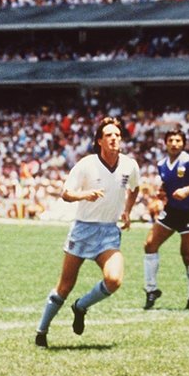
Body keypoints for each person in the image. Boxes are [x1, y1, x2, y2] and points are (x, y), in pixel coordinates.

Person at [35, 117, 140, 347]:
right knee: (65, 285)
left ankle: (81, 306)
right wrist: (85, 195)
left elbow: (135, 187)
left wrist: (127, 211)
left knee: (114, 280)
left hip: (109, 231)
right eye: (109, 135)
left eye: (117, 135)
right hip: (83, 229)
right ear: (99, 141)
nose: (114, 138)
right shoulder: (86, 164)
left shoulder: (129, 165)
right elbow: (66, 193)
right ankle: (41, 331)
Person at [143, 128, 189, 310]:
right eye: (171, 140)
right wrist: (161, 194)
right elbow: (167, 184)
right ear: (165, 143)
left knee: (187, 255)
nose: (174, 143)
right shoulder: (162, 164)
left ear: (183, 144)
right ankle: (151, 290)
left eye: (178, 140)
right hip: (171, 211)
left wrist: (187, 190)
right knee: (150, 245)